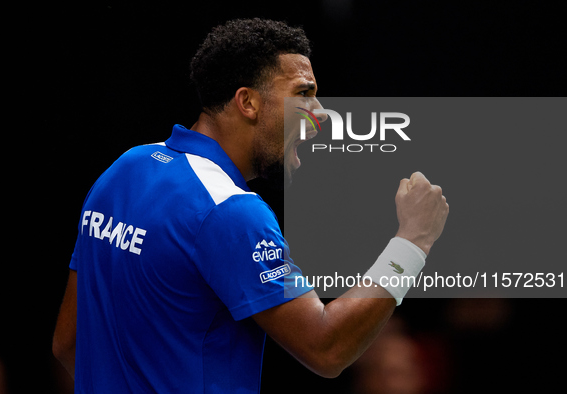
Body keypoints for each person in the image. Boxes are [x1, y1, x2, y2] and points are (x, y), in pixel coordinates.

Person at [53, 18, 449, 393]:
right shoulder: (230, 210)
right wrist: (412, 241)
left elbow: (67, 343)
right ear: (248, 102)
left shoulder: (123, 170)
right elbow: (327, 348)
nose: (320, 113)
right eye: (303, 93)